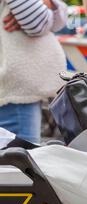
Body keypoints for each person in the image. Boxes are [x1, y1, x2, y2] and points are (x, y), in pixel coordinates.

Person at [0, 0, 68, 144]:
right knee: (17, 161)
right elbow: (38, 22)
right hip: (14, 92)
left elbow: (57, 19)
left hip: (13, 88)